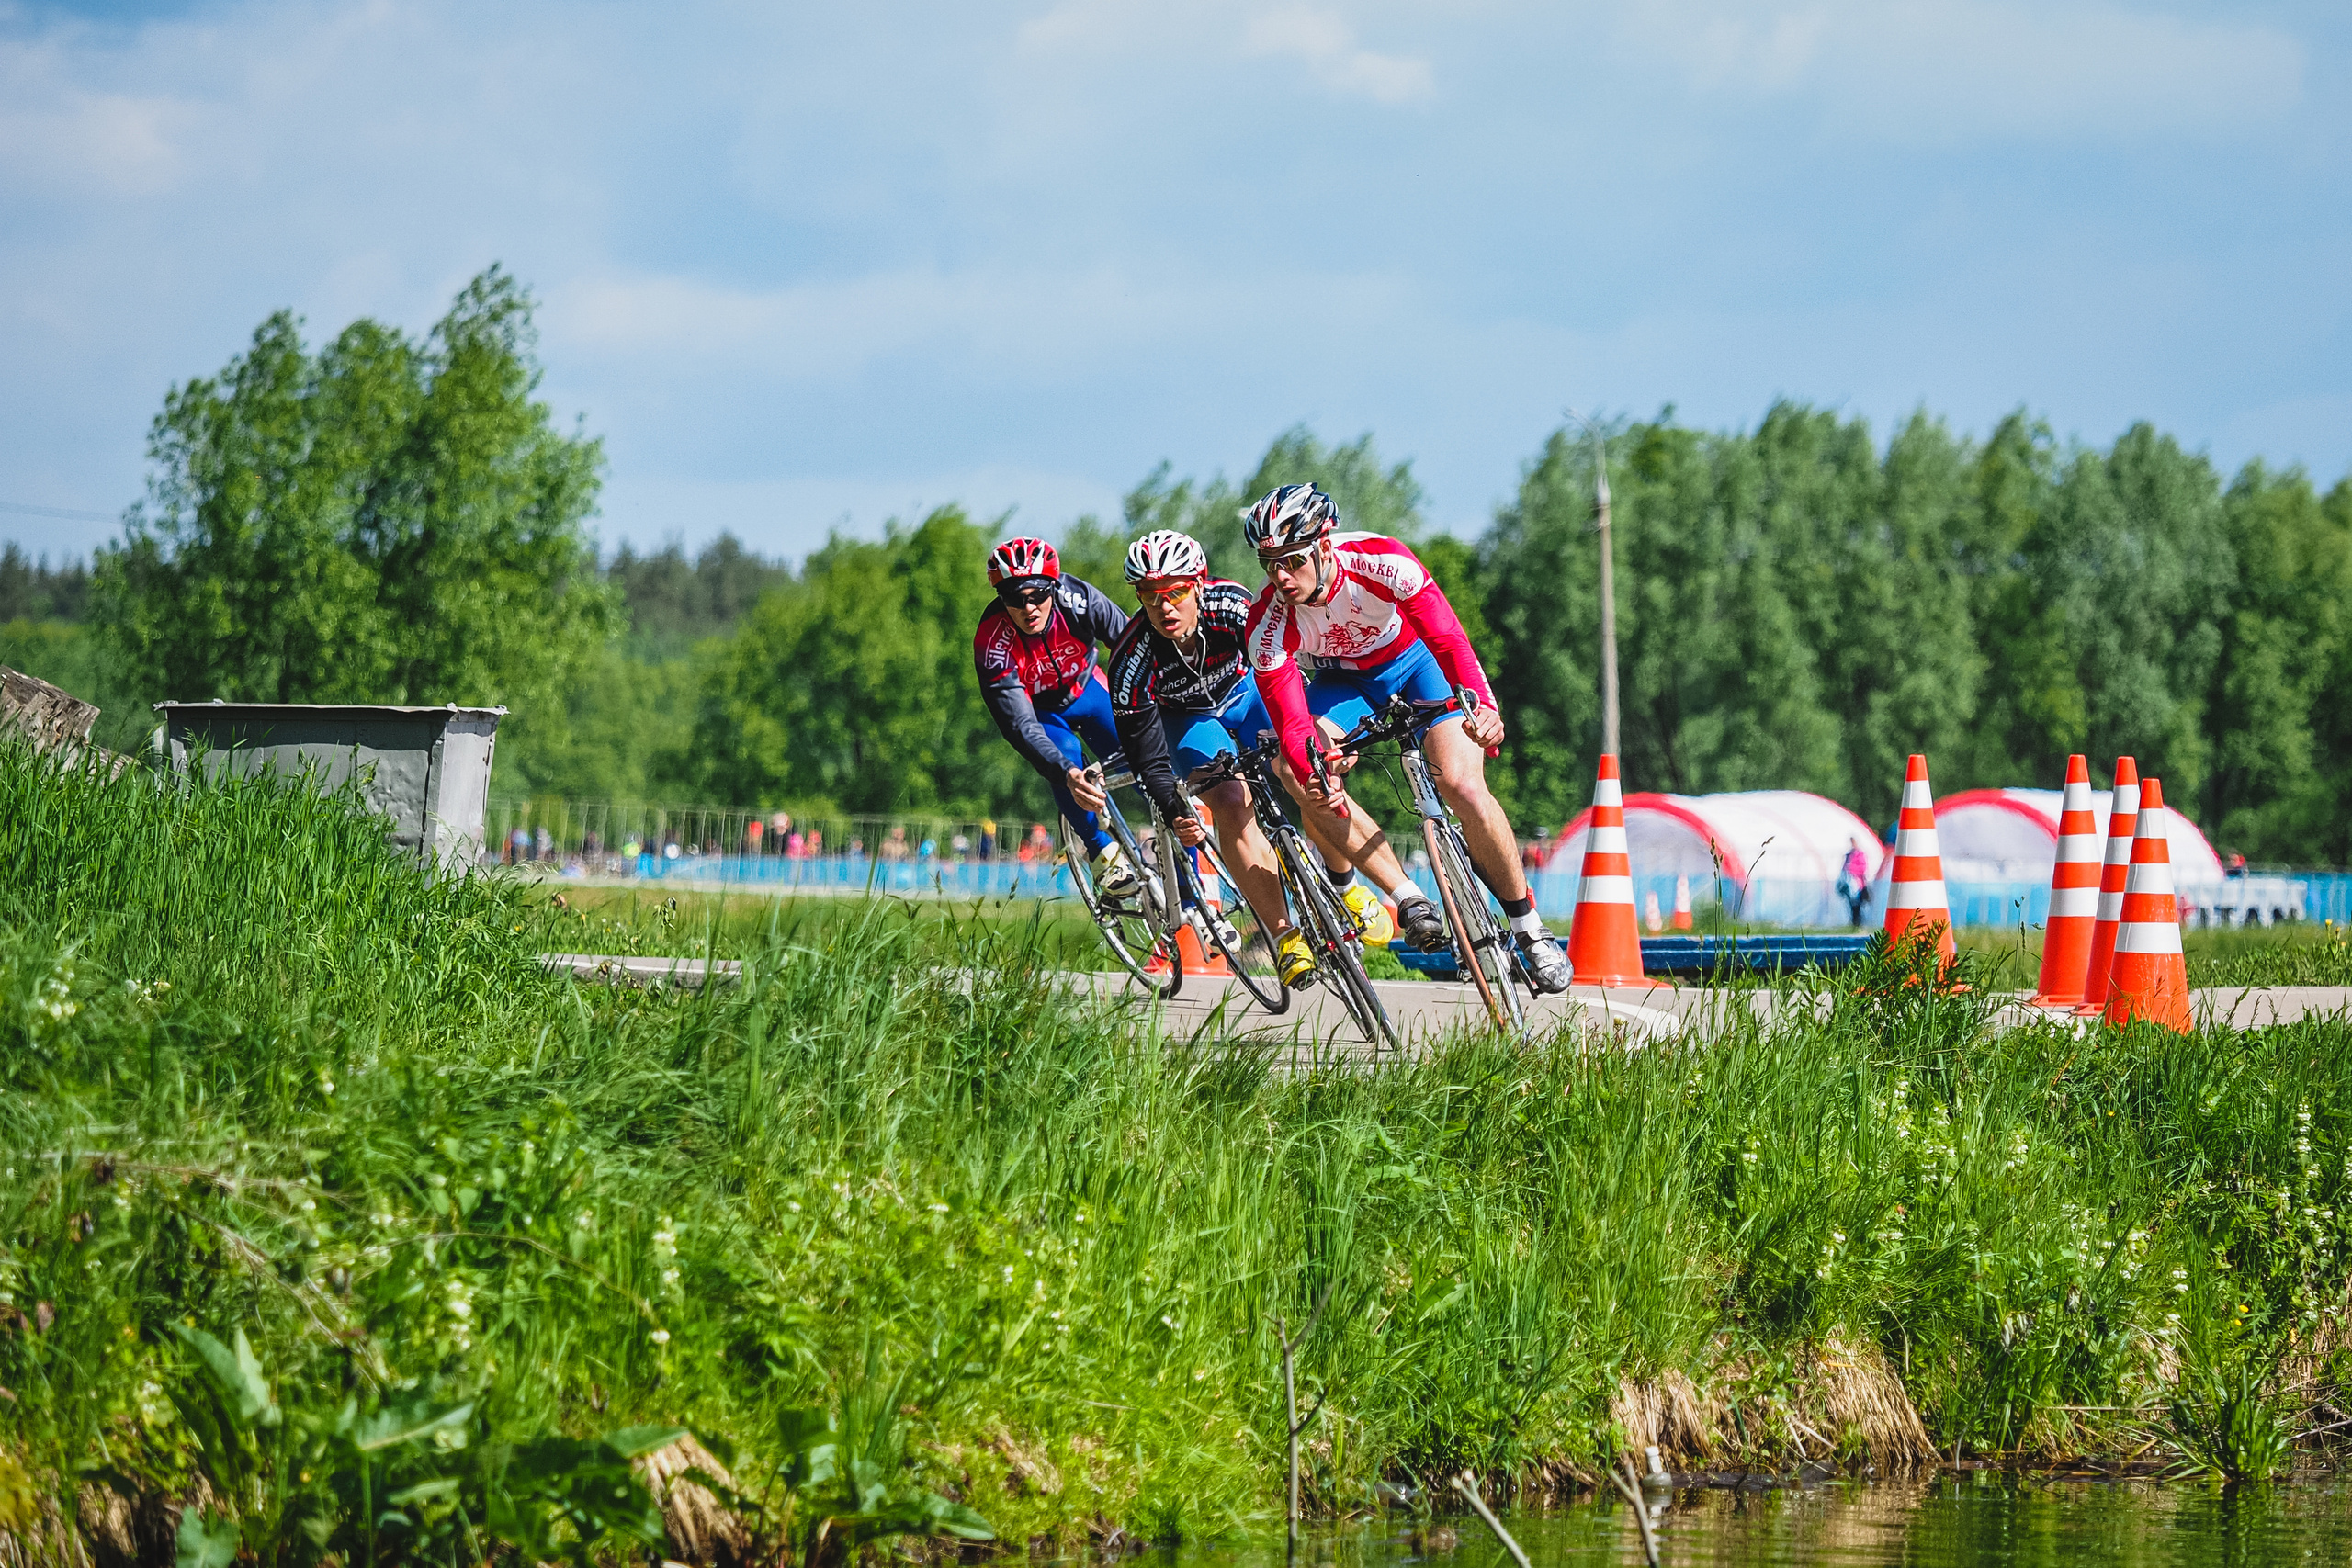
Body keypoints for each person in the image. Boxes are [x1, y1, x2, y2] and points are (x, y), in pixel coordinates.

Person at [1240, 482, 1572, 993]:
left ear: (1324, 547)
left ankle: (1529, 929)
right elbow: (1293, 723)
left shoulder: (1383, 560)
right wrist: (1316, 771)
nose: (1281, 576)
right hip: (1342, 685)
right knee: (1294, 771)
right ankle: (1407, 897)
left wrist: (1484, 709)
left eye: (1292, 560)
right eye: (1270, 564)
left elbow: (1448, 640)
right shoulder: (1268, 623)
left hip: (1416, 664)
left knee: (1461, 784)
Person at [1103, 529, 1337, 988]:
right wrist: (1174, 808)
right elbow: (1147, 755)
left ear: (1199, 585)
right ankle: (1285, 936)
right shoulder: (1132, 657)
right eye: (1150, 596)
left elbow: (1279, 664)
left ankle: (1344, 881)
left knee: (1302, 765)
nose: (1164, 607)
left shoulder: (1231, 605)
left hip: (1246, 694)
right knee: (1230, 802)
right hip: (1189, 721)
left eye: (1175, 593)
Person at [972, 537, 1138, 893]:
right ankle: (1101, 852)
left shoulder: (1078, 599)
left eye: (1038, 595)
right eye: (1015, 599)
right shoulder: (992, 642)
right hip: (1041, 712)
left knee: (1148, 756)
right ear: (1002, 599)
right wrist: (1067, 774)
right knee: (1065, 762)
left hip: (1089, 690)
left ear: (1053, 587)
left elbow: (1133, 647)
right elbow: (1020, 725)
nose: (1029, 607)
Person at [1840, 837, 1870, 928]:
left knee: (1858, 903)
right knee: (1852, 903)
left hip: (1858, 883)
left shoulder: (1859, 854)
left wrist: (1852, 870)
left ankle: (1858, 920)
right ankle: (1855, 920)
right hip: (1849, 882)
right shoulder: (1849, 855)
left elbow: (1863, 868)